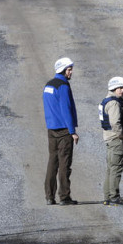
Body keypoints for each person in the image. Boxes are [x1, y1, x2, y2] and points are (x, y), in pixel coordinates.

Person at [43, 57, 79, 205]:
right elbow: (66, 109)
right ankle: (64, 197)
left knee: (53, 162)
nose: (71, 72)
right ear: (63, 70)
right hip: (64, 131)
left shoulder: (48, 85)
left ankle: (49, 197)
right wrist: (72, 131)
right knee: (64, 164)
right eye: (69, 70)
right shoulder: (63, 86)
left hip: (51, 129)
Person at [99, 76, 123, 205]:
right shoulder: (114, 103)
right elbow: (115, 122)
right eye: (119, 88)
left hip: (110, 139)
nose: (122, 90)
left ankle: (108, 195)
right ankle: (114, 196)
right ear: (113, 88)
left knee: (111, 168)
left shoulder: (107, 100)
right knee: (116, 168)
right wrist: (122, 135)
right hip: (115, 139)